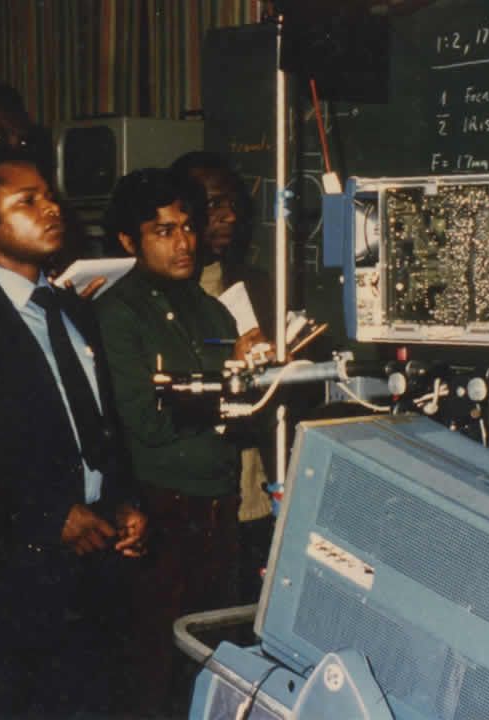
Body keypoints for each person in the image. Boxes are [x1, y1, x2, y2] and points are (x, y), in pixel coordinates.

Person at [0, 147, 145, 718]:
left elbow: (101, 421)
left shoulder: (74, 309)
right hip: (13, 573)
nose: (51, 209)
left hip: (97, 561)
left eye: (49, 196)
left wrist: (125, 499)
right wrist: (46, 517)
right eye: (27, 201)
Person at [95, 167, 267, 716]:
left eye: (188, 227)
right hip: (163, 510)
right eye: (163, 231)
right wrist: (225, 392)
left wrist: (254, 376)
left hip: (221, 507)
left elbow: (241, 416)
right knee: (156, 670)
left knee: (216, 665)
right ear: (129, 241)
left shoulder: (213, 309)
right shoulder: (117, 312)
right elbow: (145, 419)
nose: (184, 242)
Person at [170, 151, 276, 603]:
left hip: (257, 487)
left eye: (233, 203)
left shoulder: (259, 285)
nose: (229, 216)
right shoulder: (160, 295)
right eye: (214, 204)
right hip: (195, 498)